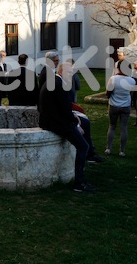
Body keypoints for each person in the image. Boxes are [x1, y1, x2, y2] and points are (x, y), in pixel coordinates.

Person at [39, 62, 95, 193]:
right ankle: (79, 183)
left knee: (86, 123)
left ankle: (90, 154)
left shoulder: (55, 81)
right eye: (69, 73)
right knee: (82, 146)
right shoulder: (60, 85)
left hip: (54, 118)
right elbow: (64, 111)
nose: (71, 75)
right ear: (61, 72)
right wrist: (75, 125)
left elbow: (63, 108)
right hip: (55, 122)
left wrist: (76, 120)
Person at [105, 60, 135, 157]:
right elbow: (131, 93)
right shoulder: (132, 80)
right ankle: (122, 150)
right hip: (125, 105)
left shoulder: (113, 79)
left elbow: (108, 93)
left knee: (112, 126)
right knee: (124, 127)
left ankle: (108, 148)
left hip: (114, 105)